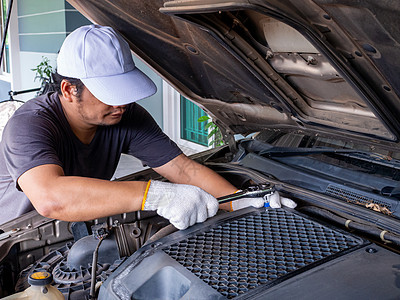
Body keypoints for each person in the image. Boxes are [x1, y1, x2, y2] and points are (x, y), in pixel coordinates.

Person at [0, 25, 296, 229]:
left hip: (81, 227)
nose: (121, 105)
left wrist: (241, 202)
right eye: (109, 95)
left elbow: (183, 170)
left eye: (125, 94)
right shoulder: (30, 125)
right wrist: (157, 195)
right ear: (68, 90)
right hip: (16, 242)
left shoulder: (125, 116)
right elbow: (50, 199)